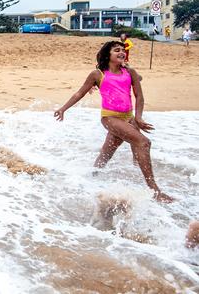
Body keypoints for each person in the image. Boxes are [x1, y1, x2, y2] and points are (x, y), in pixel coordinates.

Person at [54, 41, 173, 203]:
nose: (121, 52)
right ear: (107, 55)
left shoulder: (130, 72)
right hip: (110, 118)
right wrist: (63, 109)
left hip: (128, 117)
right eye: (116, 50)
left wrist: (138, 117)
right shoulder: (98, 74)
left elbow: (139, 96)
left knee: (106, 154)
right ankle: (155, 191)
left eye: (123, 50)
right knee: (143, 142)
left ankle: (90, 178)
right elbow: (79, 94)